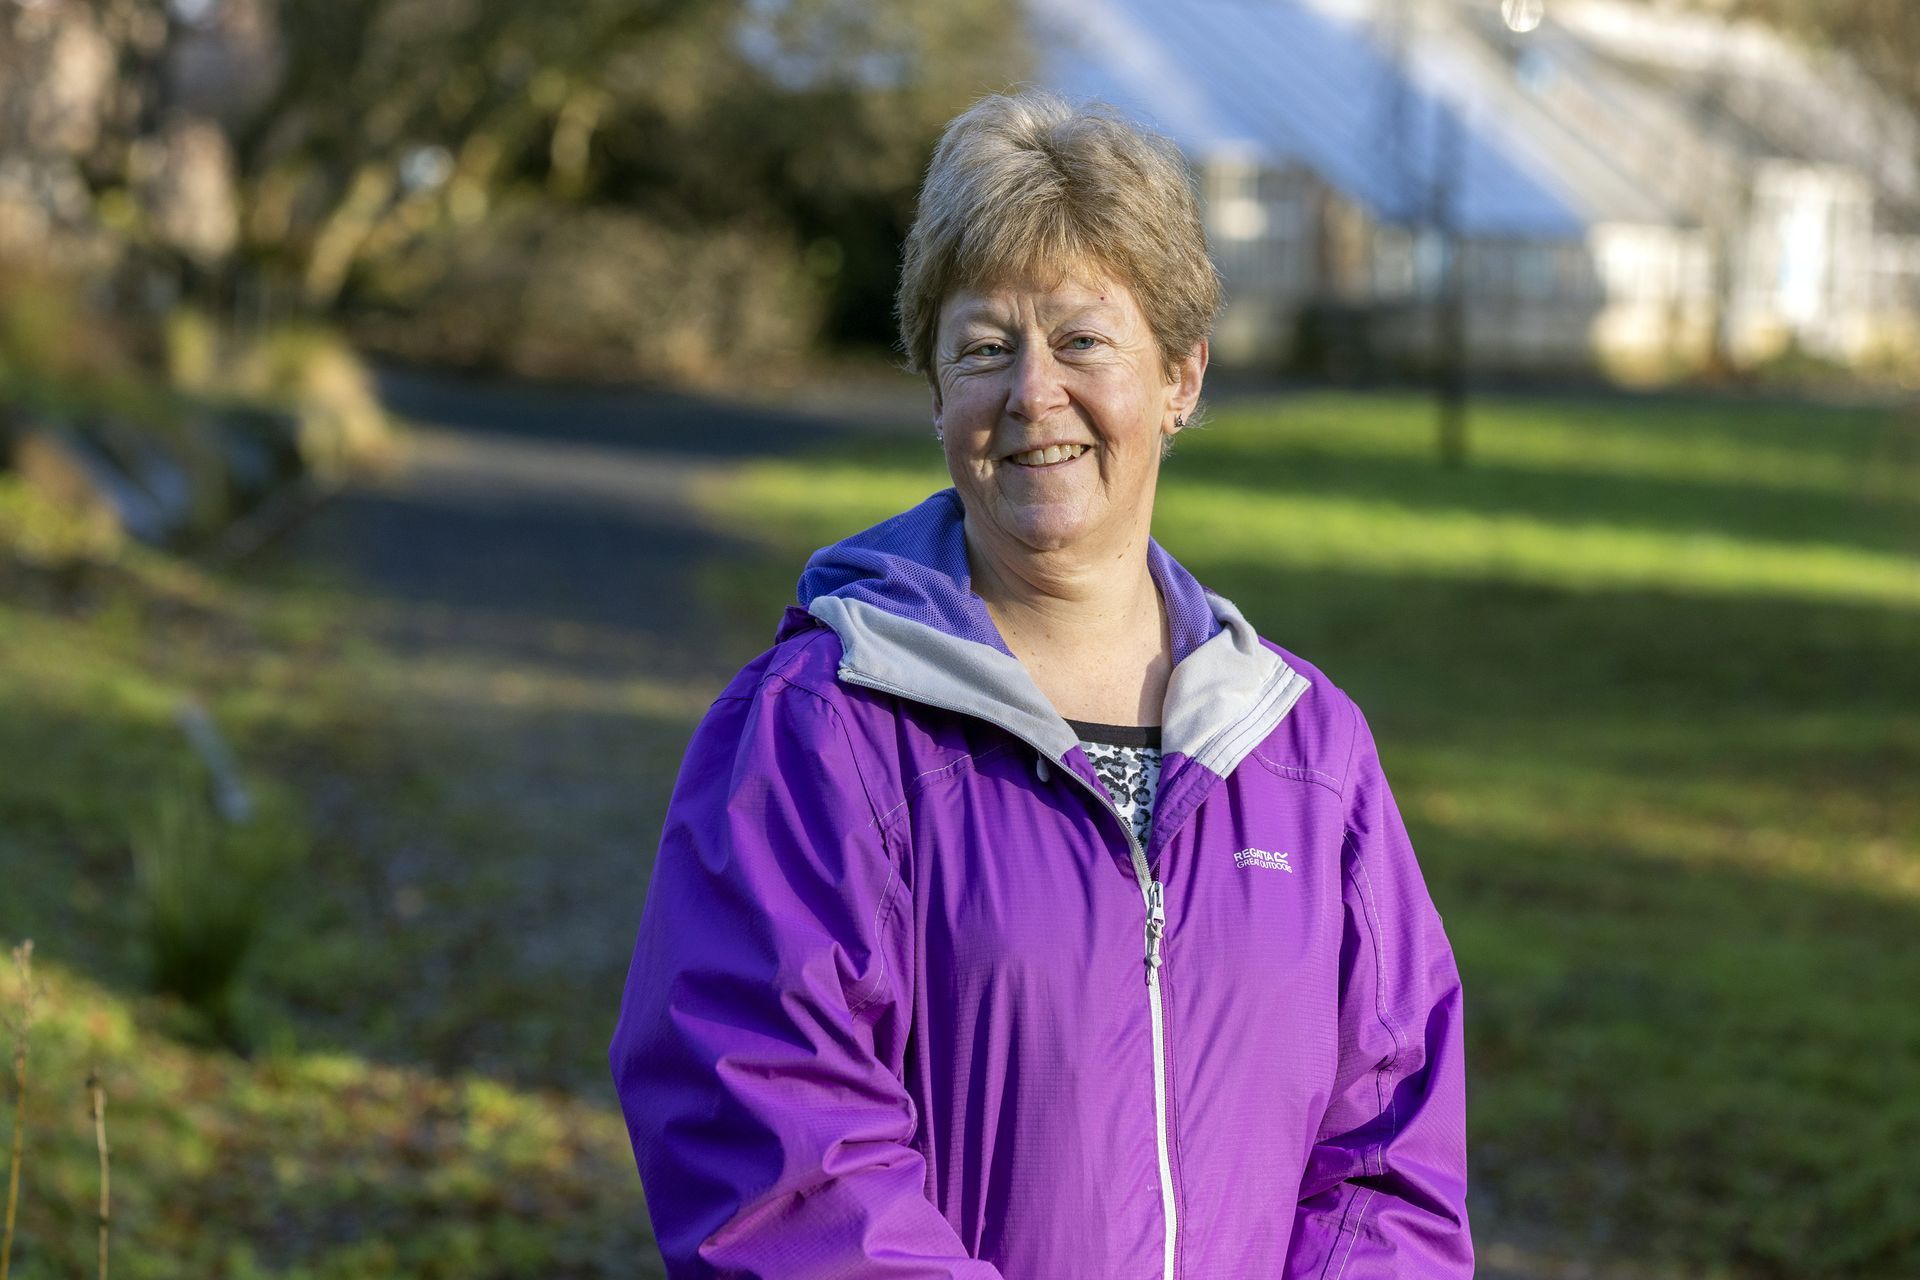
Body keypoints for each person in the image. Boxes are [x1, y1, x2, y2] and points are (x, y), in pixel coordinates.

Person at [609, 89, 1472, 1278]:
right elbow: (774, 1150)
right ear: (936, 394)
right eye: (982, 347)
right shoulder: (821, 730)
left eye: (1081, 339)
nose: (1032, 393)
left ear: (1181, 377)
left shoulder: (1310, 757)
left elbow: (1388, 1158)